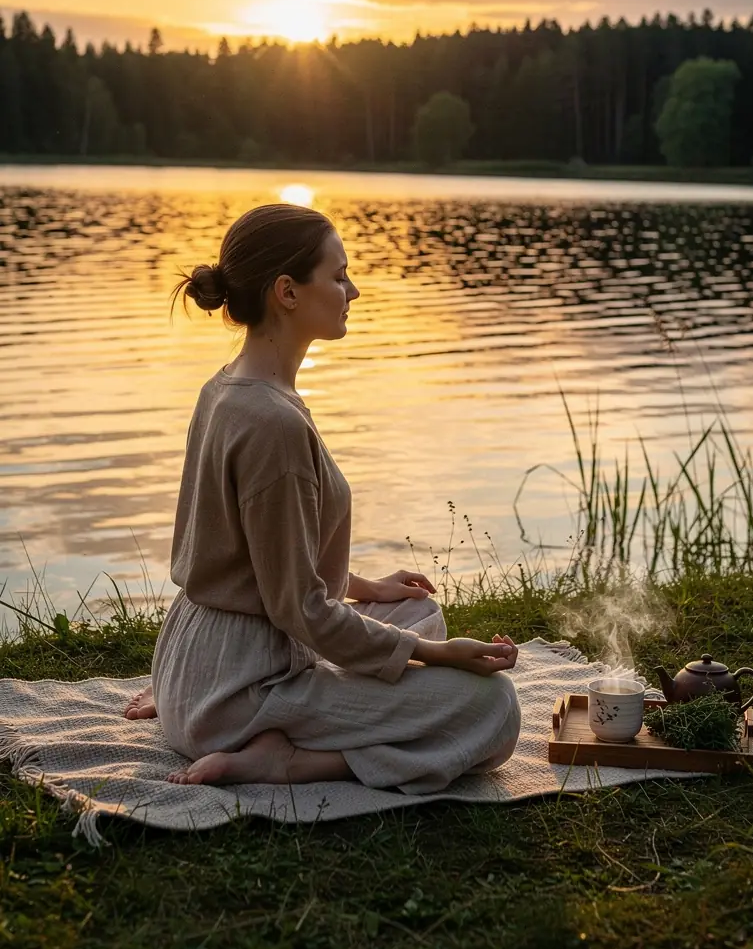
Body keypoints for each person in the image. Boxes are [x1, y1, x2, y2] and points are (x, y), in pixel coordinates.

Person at [124, 203, 521, 793]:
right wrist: (435, 659)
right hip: (239, 690)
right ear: (287, 291)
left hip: (198, 655)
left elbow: (254, 553)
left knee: (419, 614)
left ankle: (197, 698)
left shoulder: (229, 386)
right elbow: (299, 610)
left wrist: (366, 588)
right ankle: (284, 762)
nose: (352, 290)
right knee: (493, 708)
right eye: (338, 276)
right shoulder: (272, 424)